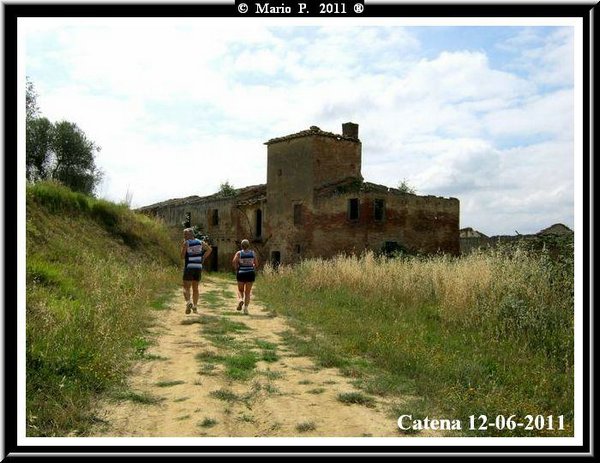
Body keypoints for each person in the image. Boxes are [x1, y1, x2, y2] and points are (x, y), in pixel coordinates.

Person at [181, 228, 212, 314]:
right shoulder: (200, 242)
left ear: (189, 235)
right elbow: (209, 249)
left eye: (185, 234)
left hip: (189, 266)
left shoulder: (186, 243)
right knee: (195, 288)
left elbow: (182, 256)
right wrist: (203, 258)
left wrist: (183, 247)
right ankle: (195, 306)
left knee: (186, 287)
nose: (184, 236)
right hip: (198, 267)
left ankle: (188, 303)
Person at [232, 239, 258, 315]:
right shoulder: (253, 253)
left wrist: (236, 268)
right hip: (250, 273)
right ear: (248, 245)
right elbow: (256, 264)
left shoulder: (239, 253)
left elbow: (234, 262)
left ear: (241, 246)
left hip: (241, 273)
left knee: (240, 290)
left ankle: (240, 299)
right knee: (248, 292)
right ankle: (246, 308)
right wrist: (253, 266)